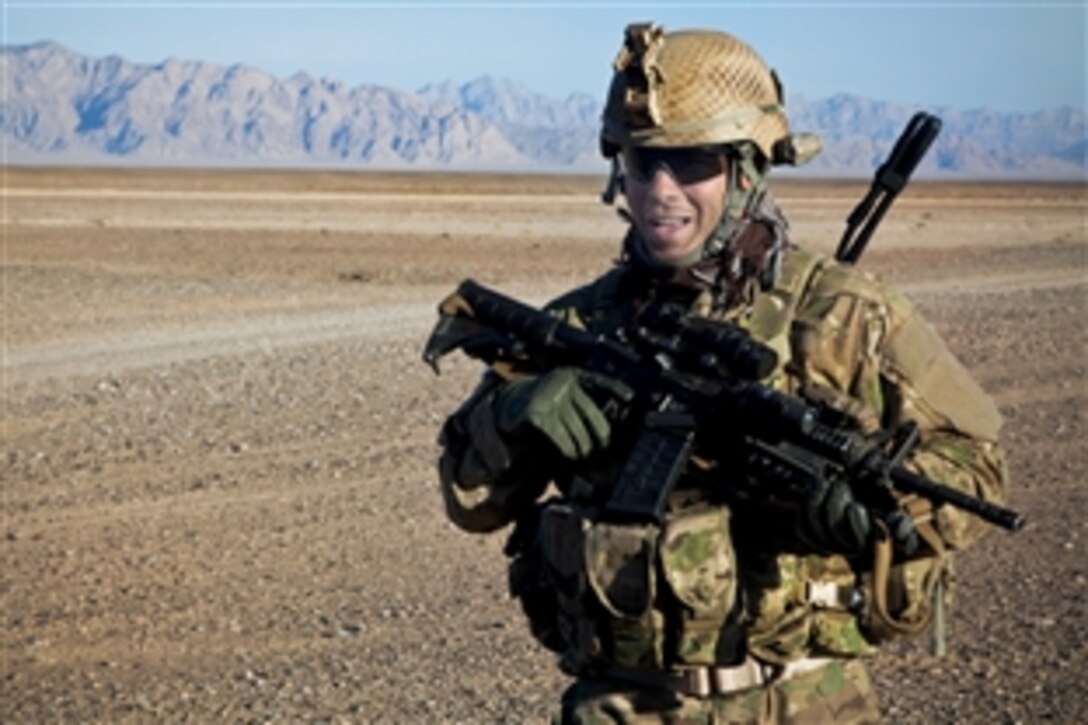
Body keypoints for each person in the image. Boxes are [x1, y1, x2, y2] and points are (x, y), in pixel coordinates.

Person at [435, 22, 1009, 724]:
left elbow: (979, 470)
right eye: (643, 163)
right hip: (625, 706)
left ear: (747, 169)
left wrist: (871, 510)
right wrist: (512, 416)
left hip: (805, 704)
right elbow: (471, 502)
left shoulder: (847, 316)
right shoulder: (580, 327)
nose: (661, 192)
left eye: (692, 162)